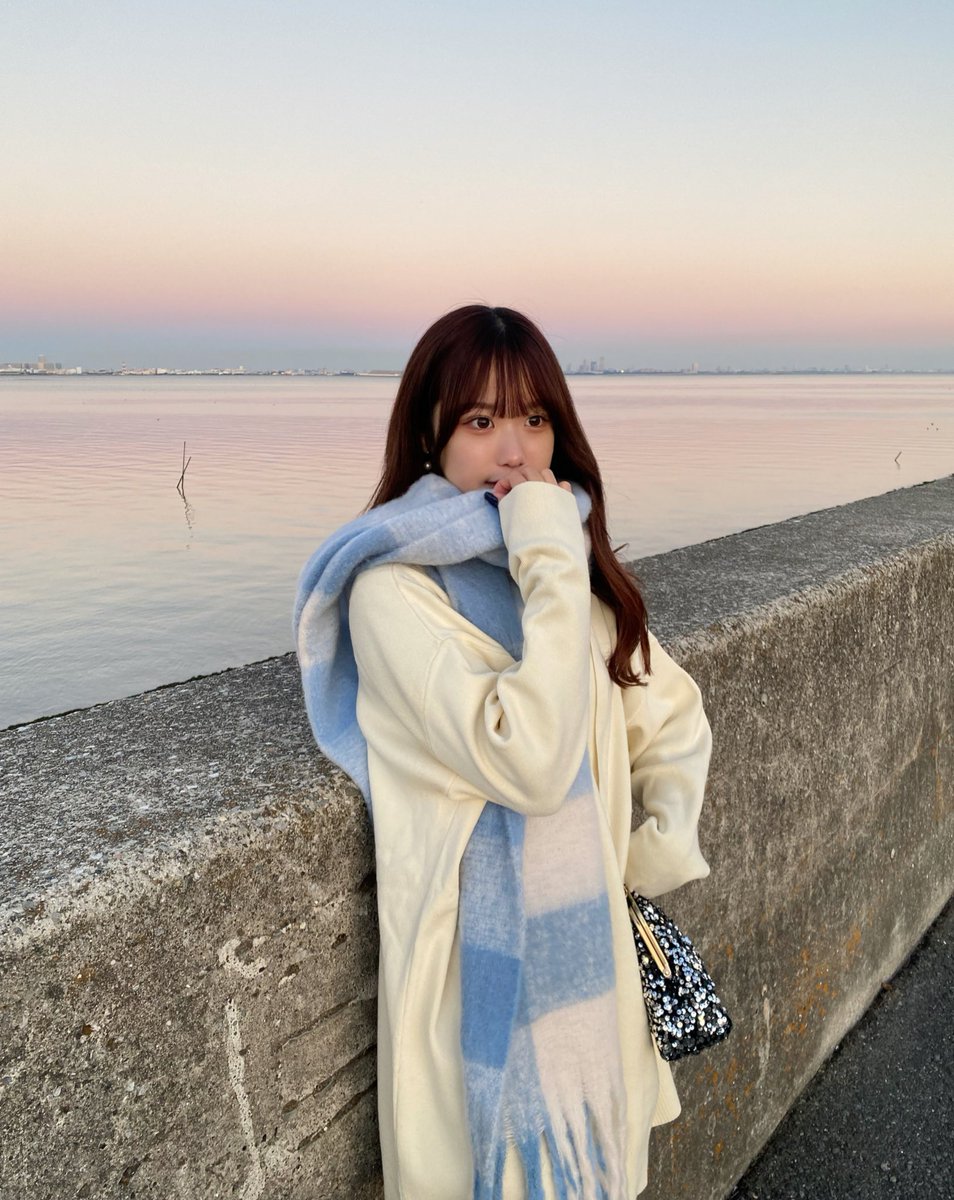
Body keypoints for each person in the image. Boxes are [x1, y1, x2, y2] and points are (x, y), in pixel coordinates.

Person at [294, 305, 712, 1200]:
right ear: (429, 436)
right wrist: (551, 554)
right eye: (481, 422)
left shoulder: (562, 585)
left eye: (535, 419)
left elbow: (673, 717)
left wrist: (644, 856)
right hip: (472, 1009)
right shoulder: (395, 595)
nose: (515, 452)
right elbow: (531, 762)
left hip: (592, 994)